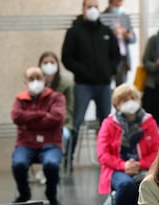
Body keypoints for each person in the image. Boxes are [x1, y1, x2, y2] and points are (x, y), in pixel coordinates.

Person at [96, 84, 159, 205]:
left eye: (133, 98)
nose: (130, 102)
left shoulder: (149, 121)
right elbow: (102, 154)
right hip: (117, 168)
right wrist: (123, 165)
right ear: (117, 104)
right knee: (125, 185)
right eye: (125, 99)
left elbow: (157, 151)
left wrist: (140, 164)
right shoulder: (109, 123)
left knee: (153, 187)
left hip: (143, 168)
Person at [61, 0, 120, 170]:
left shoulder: (106, 31)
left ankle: (107, 160)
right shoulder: (74, 32)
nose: (93, 10)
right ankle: (68, 160)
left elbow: (115, 56)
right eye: (89, 6)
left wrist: (110, 70)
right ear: (83, 9)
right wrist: (81, 70)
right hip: (82, 85)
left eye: (95, 6)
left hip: (103, 85)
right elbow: (67, 58)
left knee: (106, 123)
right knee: (76, 121)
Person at [11, 67, 66, 205]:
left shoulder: (57, 97)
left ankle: (51, 195)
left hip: (51, 143)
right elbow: (16, 117)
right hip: (26, 144)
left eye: (38, 77)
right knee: (19, 164)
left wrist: (27, 120)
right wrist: (43, 114)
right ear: (26, 82)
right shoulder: (19, 99)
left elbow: (57, 118)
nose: (35, 81)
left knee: (51, 164)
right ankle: (24, 194)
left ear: (44, 79)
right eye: (31, 78)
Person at [38, 51, 74, 167]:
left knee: (64, 135)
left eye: (52, 62)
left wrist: (56, 121)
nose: (49, 65)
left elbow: (69, 108)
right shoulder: (35, 83)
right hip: (40, 123)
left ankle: (54, 164)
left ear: (57, 65)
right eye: (45, 62)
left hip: (62, 123)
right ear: (40, 65)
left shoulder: (67, 84)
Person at [101, 0, 136, 86]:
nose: (119, 7)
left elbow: (134, 39)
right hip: (108, 59)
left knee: (122, 90)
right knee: (106, 88)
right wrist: (112, 34)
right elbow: (98, 39)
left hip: (123, 58)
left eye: (121, 4)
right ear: (111, 3)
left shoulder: (125, 17)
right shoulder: (102, 17)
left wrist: (127, 35)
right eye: (117, 5)